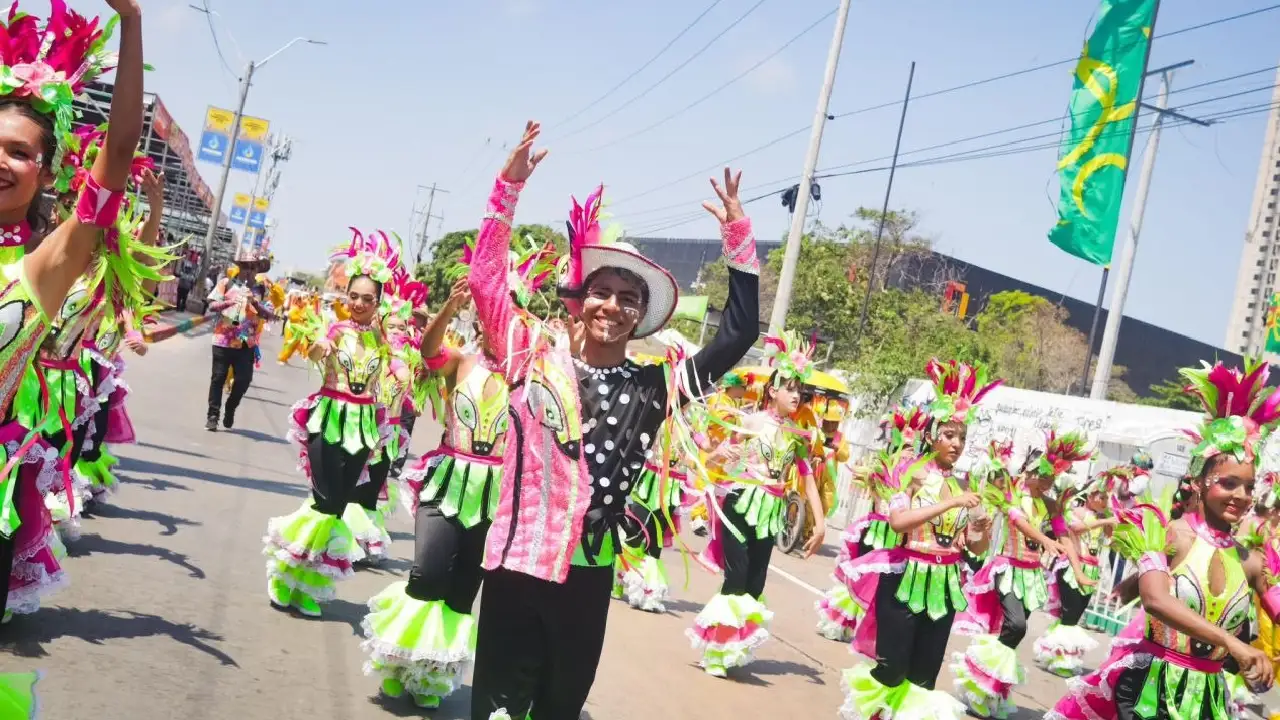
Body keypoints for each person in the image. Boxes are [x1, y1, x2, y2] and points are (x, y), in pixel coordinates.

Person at [465, 122, 758, 720]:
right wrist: (507, 191)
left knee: (558, 708)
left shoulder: (657, 387)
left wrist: (739, 237)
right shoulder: (526, 355)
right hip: (518, 568)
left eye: (630, 299)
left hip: (589, 576)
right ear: (580, 301)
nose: (614, 306)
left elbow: (739, 333)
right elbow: (485, 280)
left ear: (641, 317)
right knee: (496, 707)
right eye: (602, 291)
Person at [0, 0, 148, 623]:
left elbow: (114, 162)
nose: (0, 161)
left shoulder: (40, 268)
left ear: (47, 170)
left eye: (18, 151)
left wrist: (133, 24)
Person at [1048, 357, 1280, 720]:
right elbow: (1155, 600)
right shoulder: (1167, 534)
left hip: (1207, 700)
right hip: (1149, 686)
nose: (1241, 495)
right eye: (1228, 483)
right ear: (1199, 481)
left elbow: (1276, 606)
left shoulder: (1250, 561)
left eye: (1248, 486)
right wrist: (1234, 644)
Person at [361, 258, 541, 708]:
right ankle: (400, 660)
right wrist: (446, 310)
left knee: (463, 592)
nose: (501, 320)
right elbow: (427, 351)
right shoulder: (461, 360)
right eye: (491, 310)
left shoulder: (530, 378)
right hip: (447, 479)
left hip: (496, 495)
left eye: (510, 310)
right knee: (427, 575)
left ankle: (431, 675)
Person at [837, 359, 998, 720]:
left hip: (944, 585)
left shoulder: (964, 483)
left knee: (924, 677)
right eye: (949, 435)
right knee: (892, 669)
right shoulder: (907, 472)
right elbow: (898, 522)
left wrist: (980, 533)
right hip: (904, 579)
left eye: (962, 438)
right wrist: (951, 501)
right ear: (931, 435)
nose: (957, 444)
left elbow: (975, 548)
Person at [263, 229, 396, 618]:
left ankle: (308, 586)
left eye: (366, 299)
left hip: (363, 428)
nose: (357, 303)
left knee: (337, 507)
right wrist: (319, 348)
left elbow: (392, 373)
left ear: (378, 302)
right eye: (353, 296)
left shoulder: (382, 342)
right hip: (329, 419)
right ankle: (284, 572)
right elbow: (319, 348)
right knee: (324, 500)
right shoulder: (335, 331)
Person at [687, 332, 826, 677]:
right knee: (735, 578)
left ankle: (734, 646)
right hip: (740, 502)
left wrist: (820, 522)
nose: (796, 396)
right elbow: (712, 449)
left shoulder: (798, 435)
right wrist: (719, 453)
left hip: (771, 513)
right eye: (790, 388)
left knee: (755, 584)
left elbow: (807, 477)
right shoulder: (749, 421)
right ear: (772, 390)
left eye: (800, 391)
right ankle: (716, 654)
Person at [952, 429, 1093, 718]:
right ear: (1028, 472)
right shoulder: (1013, 496)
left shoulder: (1050, 503)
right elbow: (1020, 523)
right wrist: (1045, 540)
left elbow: (1064, 535)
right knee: (1015, 625)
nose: (1047, 482)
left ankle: (992, 691)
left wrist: (1078, 571)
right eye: (1043, 476)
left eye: (1052, 478)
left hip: (1032, 576)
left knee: (1012, 634)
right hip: (1007, 567)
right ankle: (979, 682)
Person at [1032, 468, 1123, 677]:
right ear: (1090, 496)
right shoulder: (1076, 511)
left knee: (1075, 615)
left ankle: (1054, 652)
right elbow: (1077, 529)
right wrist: (1104, 521)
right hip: (1073, 567)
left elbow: (1109, 539)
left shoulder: (1103, 517)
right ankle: (1061, 659)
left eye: (1106, 498)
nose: (1103, 502)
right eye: (1101, 497)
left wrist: (1111, 521)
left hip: (1091, 568)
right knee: (1070, 615)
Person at [205, 267, 270, 431]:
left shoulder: (260, 290)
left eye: (254, 267)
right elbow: (212, 305)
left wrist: (254, 302)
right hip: (223, 340)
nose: (250, 271)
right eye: (247, 266)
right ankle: (213, 415)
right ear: (240, 267)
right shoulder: (226, 283)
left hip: (246, 343)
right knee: (218, 378)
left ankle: (231, 407)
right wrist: (229, 302)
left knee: (244, 380)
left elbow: (267, 314)